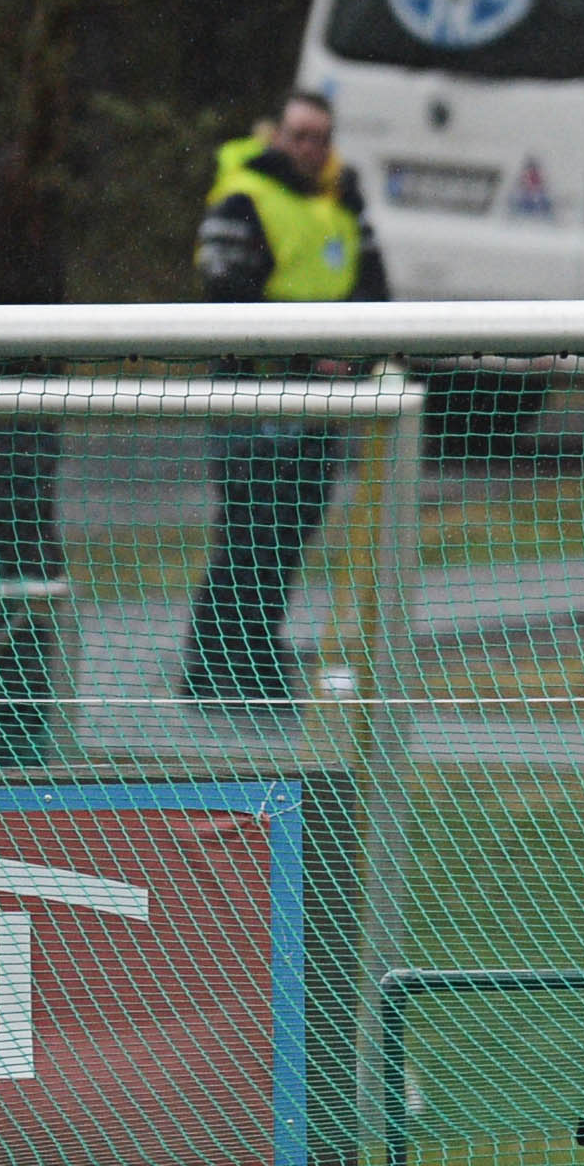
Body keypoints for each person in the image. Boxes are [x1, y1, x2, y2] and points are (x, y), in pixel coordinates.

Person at [180, 89, 388, 715]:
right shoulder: (243, 198)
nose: (309, 147)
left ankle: (249, 654)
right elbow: (228, 292)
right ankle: (219, 665)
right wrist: (307, 352)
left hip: (320, 404)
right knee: (249, 531)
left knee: (293, 531)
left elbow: (374, 289)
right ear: (277, 135)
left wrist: (352, 355)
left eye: (320, 136)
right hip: (254, 394)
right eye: (299, 134)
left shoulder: (343, 203)